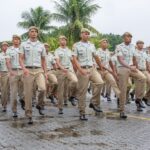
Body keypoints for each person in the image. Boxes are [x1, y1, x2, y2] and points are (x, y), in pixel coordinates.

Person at [72, 28, 104, 121]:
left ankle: (93, 102)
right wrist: (80, 70)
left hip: (92, 68)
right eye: (85, 33)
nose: (87, 35)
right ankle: (82, 112)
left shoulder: (92, 45)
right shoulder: (76, 45)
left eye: (88, 34)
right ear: (81, 35)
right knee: (82, 93)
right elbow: (74, 59)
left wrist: (100, 67)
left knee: (100, 83)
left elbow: (96, 57)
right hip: (82, 69)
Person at [19, 26, 47, 124]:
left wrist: (45, 72)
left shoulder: (41, 45)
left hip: (39, 70)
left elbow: (43, 60)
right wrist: (24, 69)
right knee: (28, 94)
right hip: (28, 70)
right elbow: (21, 58)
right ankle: (29, 115)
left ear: (37, 33)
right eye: (32, 31)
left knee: (43, 88)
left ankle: (40, 104)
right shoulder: (23, 44)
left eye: (35, 31)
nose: (34, 33)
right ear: (29, 33)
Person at [116, 32, 146, 118]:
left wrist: (136, 67)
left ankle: (138, 99)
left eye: (131, 37)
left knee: (142, 78)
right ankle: (122, 110)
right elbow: (120, 59)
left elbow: (134, 58)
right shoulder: (119, 47)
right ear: (124, 38)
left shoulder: (133, 47)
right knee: (123, 89)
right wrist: (130, 66)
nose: (130, 38)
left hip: (131, 67)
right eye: (128, 37)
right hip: (123, 68)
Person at [54, 35, 78, 114]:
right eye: (61, 40)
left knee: (75, 81)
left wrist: (75, 70)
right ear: (59, 41)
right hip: (60, 71)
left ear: (66, 41)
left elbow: (73, 61)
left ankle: (71, 96)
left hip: (69, 70)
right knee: (60, 90)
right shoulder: (57, 51)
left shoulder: (69, 51)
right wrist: (61, 68)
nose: (63, 41)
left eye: (64, 40)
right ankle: (60, 108)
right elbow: (57, 61)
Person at [6, 35, 24, 117]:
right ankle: (14, 110)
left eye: (17, 39)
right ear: (12, 41)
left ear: (20, 41)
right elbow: (8, 61)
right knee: (13, 93)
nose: (16, 41)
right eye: (14, 39)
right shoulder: (9, 50)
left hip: (23, 71)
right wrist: (10, 71)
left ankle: (22, 99)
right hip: (13, 71)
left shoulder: (23, 48)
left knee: (25, 91)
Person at [134, 40, 150, 107]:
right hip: (137, 70)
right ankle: (138, 102)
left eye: (142, 44)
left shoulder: (144, 53)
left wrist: (148, 69)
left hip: (145, 70)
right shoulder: (134, 52)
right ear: (137, 44)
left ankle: (146, 97)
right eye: (140, 43)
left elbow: (147, 62)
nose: (141, 45)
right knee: (139, 87)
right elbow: (133, 61)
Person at [0, 42, 10, 112]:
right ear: (1, 47)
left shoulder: (11, 54)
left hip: (12, 73)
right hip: (3, 73)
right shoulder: (0, 55)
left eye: (6, 46)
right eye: (3, 46)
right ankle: (4, 105)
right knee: (4, 90)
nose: (5, 47)